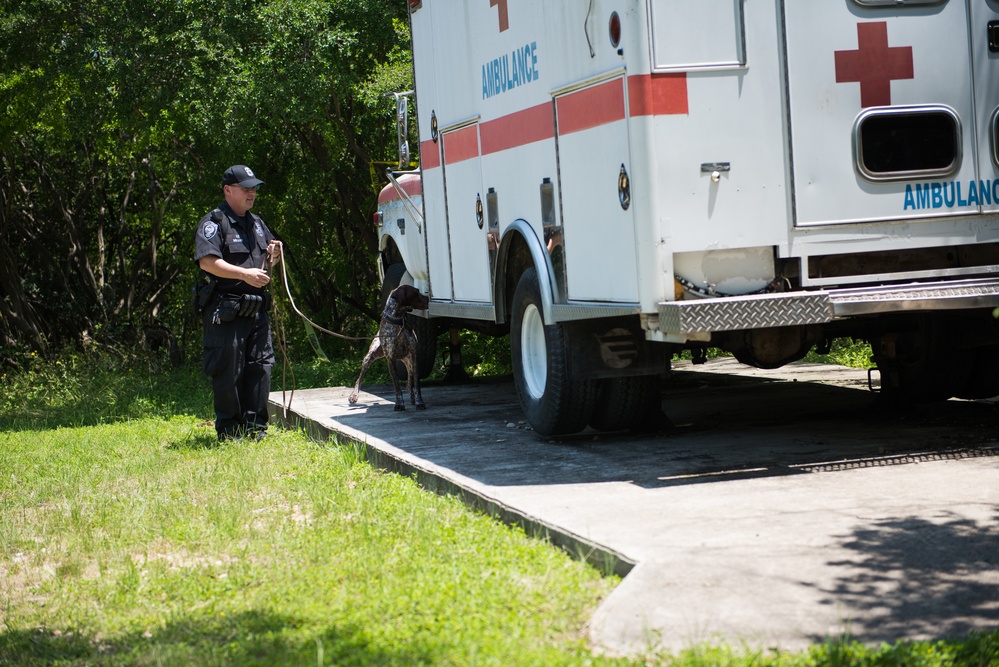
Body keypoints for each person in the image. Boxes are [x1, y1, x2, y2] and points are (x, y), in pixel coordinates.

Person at [193, 165, 283, 441]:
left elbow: (269, 260)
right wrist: (244, 274)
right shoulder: (214, 222)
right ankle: (230, 432)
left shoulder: (256, 223)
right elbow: (207, 261)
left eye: (254, 188)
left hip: (257, 309)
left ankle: (256, 429)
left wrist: (274, 254)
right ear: (228, 190)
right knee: (229, 369)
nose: (251, 193)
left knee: (261, 367)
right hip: (227, 309)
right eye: (245, 188)